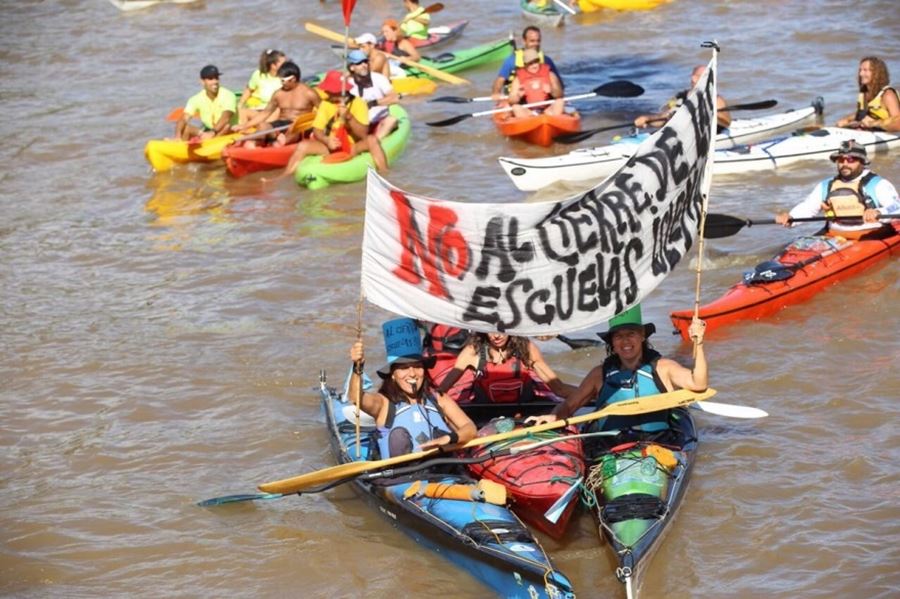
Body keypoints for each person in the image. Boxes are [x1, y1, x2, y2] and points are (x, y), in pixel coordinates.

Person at [527, 305, 708, 434]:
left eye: (631, 334)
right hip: (611, 447)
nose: (625, 341)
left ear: (642, 336)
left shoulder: (663, 368)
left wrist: (698, 343)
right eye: (619, 336)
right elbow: (569, 405)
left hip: (657, 444)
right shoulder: (600, 374)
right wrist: (553, 417)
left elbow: (698, 384)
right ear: (612, 342)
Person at [349, 318, 477, 457]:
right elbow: (356, 398)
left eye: (417, 367)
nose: (412, 374)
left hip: (443, 475)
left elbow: (470, 428)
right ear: (392, 374)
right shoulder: (383, 404)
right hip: (401, 477)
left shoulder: (439, 398)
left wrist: (448, 438)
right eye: (404, 368)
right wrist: (358, 366)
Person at [264, 70, 387, 182]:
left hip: (352, 145)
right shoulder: (326, 104)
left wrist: (349, 116)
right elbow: (318, 130)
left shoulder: (358, 103)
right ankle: (284, 176)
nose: (327, 92)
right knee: (303, 145)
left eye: (330, 90)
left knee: (372, 140)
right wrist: (326, 140)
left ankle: (384, 173)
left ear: (339, 90)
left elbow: (363, 134)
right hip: (331, 146)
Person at [775, 140, 899, 240]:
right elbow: (808, 206)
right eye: (841, 160)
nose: (844, 163)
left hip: (871, 236)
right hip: (834, 235)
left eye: (851, 160)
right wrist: (791, 217)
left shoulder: (878, 184)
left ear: (862, 162)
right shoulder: (826, 185)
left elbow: (896, 207)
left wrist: (879, 212)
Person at [439, 331, 576, 404]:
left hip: (523, 411)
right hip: (484, 413)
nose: (496, 335)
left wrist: (593, 393)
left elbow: (559, 389)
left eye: (501, 329)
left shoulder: (526, 349)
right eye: (490, 330)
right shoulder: (472, 351)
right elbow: (442, 391)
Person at [232, 61, 321, 147]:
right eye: (280, 80)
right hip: (281, 124)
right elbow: (265, 113)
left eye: (283, 80)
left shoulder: (309, 93)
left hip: (298, 126)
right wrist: (244, 126)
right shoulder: (278, 94)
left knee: (293, 129)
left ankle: (279, 141)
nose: (281, 83)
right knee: (262, 125)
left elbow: (323, 111)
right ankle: (259, 141)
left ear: (293, 79)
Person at [633, 65, 731, 133]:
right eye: (706, 76)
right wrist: (647, 119)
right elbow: (664, 118)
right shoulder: (680, 98)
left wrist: (708, 113)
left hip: (705, 136)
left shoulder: (715, 99)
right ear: (694, 78)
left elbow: (726, 122)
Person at [492, 26, 563, 98]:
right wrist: (499, 98)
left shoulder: (547, 60)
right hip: (517, 98)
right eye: (532, 41)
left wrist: (555, 92)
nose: (536, 44)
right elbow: (499, 82)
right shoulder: (512, 60)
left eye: (538, 41)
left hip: (543, 98)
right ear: (524, 41)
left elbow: (559, 84)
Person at [346, 49, 400, 140]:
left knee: (392, 120)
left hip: (378, 122)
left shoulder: (379, 78)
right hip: (359, 125)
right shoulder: (347, 84)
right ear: (352, 67)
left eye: (365, 62)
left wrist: (373, 103)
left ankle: (376, 141)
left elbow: (395, 98)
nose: (364, 65)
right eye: (359, 63)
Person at [835, 57, 900, 132]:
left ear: (876, 73)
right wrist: (847, 119)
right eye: (860, 70)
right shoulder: (865, 92)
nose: (861, 74)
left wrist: (874, 124)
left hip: (887, 134)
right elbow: (863, 113)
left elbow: (898, 123)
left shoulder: (888, 95)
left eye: (865, 70)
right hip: (868, 130)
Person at [175, 65, 238, 141]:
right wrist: (177, 136)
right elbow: (184, 118)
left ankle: (208, 142)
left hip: (229, 131)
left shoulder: (228, 95)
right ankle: (179, 143)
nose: (215, 81)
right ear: (202, 81)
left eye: (216, 78)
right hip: (211, 132)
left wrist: (212, 132)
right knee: (185, 128)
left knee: (226, 126)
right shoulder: (195, 99)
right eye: (210, 79)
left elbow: (226, 117)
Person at [504, 48, 565, 118]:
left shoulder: (550, 74)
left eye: (536, 62)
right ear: (525, 64)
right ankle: (529, 122)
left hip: (548, 109)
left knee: (560, 102)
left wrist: (552, 91)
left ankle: (554, 121)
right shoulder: (518, 79)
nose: (534, 66)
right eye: (530, 63)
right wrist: (518, 96)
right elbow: (511, 100)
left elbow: (560, 94)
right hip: (528, 111)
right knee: (516, 107)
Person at [237, 49, 286, 124]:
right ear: (273, 65)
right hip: (259, 110)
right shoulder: (258, 74)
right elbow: (249, 89)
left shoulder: (285, 77)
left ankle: (265, 126)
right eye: (284, 63)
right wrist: (241, 104)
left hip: (273, 111)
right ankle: (244, 132)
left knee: (277, 110)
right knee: (243, 111)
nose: (287, 65)